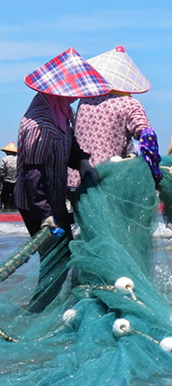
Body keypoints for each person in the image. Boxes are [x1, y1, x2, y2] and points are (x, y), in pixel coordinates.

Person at [16, 48, 109, 310]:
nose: (75, 97)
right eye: (71, 92)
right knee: (56, 257)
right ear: (57, 90)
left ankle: (46, 309)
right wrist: (46, 214)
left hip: (54, 193)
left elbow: (69, 148)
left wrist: (82, 162)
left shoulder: (62, 113)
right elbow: (32, 175)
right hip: (35, 201)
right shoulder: (38, 124)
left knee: (63, 255)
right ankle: (36, 313)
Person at [70, 46, 162, 186]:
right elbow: (147, 135)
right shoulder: (129, 104)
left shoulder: (85, 101)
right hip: (106, 179)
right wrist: (154, 171)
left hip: (76, 177)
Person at [0, 142, 18, 209]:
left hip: (6, 181)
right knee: (14, 199)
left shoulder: (5, 159)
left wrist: (1, 179)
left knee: (4, 198)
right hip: (15, 182)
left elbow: (2, 170)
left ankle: (4, 208)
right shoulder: (18, 159)